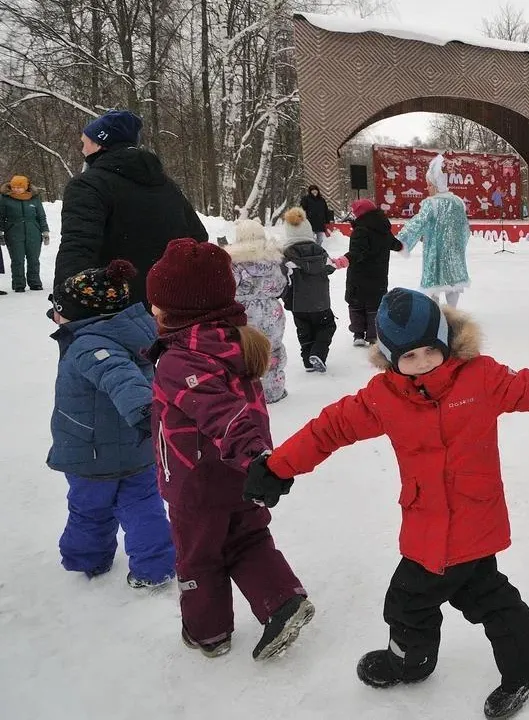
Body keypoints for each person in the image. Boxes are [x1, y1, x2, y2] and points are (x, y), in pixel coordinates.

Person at [245, 288, 529, 718]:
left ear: (446, 339)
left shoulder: (480, 378)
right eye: (409, 356)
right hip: (428, 521)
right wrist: (278, 467)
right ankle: (527, 667)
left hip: (470, 518)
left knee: (409, 601)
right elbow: (329, 429)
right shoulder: (384, 397)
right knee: (485, 595)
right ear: (391, 358)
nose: (424, 362)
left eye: (431, 349)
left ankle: (411, 663)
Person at [146, 238, 314, 660]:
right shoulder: (233, 341)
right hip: (242, 476)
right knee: (248, 538)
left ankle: (209, 632)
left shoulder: (181, 360)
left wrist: (256, 456)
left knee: (198, 557)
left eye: (156, 304)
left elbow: (220, 413)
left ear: (175, 311)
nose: (152, 310)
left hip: (198, 484)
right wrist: (257, 461)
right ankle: (282, 600)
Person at [48, 260, 175, 588]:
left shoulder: (91, 344)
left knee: (89, 509)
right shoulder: (128, 332)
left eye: (57, 310)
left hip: (92, 452)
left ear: (81, 314)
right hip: (138, 448)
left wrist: (144, 410)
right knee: (143, 505)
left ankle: (87, 560)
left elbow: (120, 376)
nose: (54, 315)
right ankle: (156, 566)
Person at [54, 109, 208, 306]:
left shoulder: (87, 185)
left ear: (100, 144)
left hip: (113, 305)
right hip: (167, 304)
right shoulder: (166, 185)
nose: (82, 150)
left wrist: (66, 300)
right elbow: (197, 237)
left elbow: (77, 247)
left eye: (85, 143)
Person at [227, 219, 288, 403]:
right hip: (272, 311)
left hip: (244, 313)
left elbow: (229, 288)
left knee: (245, 351)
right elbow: (281, 285)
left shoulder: (234, 264)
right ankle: (273, 391)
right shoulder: (272, 260)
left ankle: (247, 393)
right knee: (272, 350)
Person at [399, 155, 470, 308]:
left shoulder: (431, 204)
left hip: (435, 252)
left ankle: (435, 313)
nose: (427, 188)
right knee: (453, 283)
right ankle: (452, 311)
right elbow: (465, 228)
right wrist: (459, 245)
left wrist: (402, 240)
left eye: (429, 185)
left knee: (433, 284)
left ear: (437, 185)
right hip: (454, 253)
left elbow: (417, 223)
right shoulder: (458, 202)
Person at [281, 207, 338, 372]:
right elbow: (330, 267)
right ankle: (318, 352)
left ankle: (307, 361)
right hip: (320, 302)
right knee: (327, 326)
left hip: (297, 303)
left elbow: (281, 276)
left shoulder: (286, 255)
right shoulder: (320, 252)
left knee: (304, 330)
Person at [344, 198, 401, 346]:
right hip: (379, 275)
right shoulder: (383, 228)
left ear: (360, 214)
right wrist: (402, 245)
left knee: (356, 303)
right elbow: (394, 244)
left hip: (359, 273)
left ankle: (358, 334)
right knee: (374, 305)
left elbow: (358, 252)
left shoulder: (360, 230)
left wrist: (345, 259)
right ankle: (373, 335)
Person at [1, 174, 50, 292]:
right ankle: (18, 284)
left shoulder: (34, 199)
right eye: (14, 187)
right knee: (17, 259)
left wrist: (45, 231)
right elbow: (0, 217)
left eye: (19, 187)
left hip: (33, 232)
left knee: (34, 259)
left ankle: (35, 282)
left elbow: (41, 216)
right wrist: (0, 232)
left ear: (26, 187)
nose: (16, 189)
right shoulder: (4, 199)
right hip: (13, 232)